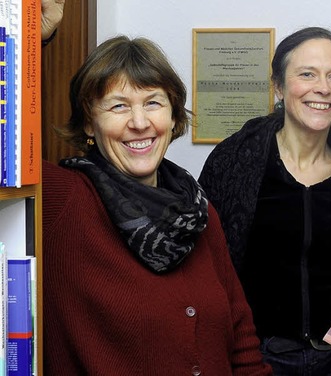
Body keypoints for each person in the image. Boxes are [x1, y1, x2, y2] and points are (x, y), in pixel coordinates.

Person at [42, 35, 272, 375]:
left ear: (174, 115)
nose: (139, 122)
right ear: (90, 122)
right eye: (118, 105)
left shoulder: (198, 210)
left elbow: (241, 339)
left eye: (153, 103)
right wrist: (35, 34)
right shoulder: (65, 199)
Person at [198, 26, 331, 375]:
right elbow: (205, 274)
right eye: (307, 74)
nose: (323, 88)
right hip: (256, 360)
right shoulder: (232, 163)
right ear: (278, 85)